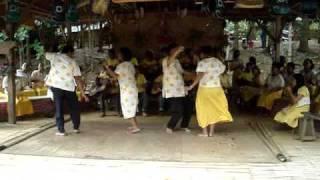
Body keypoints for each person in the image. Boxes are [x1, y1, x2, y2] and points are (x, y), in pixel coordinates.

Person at [188, 46, 232, 137]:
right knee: (213, 109)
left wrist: (192, 86)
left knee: (203, 109)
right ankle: (211, 132)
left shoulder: (202, 63)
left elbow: (200, 74)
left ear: (203, 54)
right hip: (216, 88)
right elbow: (223, 70)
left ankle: (205, 132)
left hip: (205, 89)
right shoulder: (218, 62)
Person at [45, 44, 89, 136]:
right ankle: (76, 127)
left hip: (56, 86)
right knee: (74, 107)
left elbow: (46, 53)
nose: (73, 55)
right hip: (69, 87)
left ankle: (61, 130)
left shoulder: (54, 56)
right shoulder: (73, 62)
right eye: (73, 53)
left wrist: (52, 46)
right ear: (69, 52)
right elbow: (78, 79)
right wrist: (83, 93)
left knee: (59, 108)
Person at [104, 47, 141, 134]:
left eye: (119, 54)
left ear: (122, 56)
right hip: (132, 88)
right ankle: (135, 125)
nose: (117, 56)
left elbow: (114, 76)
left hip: (126, 90)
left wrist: (106, 67)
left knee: (128, 108)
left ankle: (135, 127)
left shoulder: (121, 66)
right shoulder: (130, 64)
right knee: (131, 108)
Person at [162, 43, 192, 134]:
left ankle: (184, 125)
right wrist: (178, 50)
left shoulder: (177, 61)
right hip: (172, 90)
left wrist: (194, 74)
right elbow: (170, 61)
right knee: (178, 110)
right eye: (174, 49)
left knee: (188, 107)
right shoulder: (165, 60)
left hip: (181, 88)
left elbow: (182, 71)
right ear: (170, 51)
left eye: (176, 49)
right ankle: (170, 126)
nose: (176, 51)